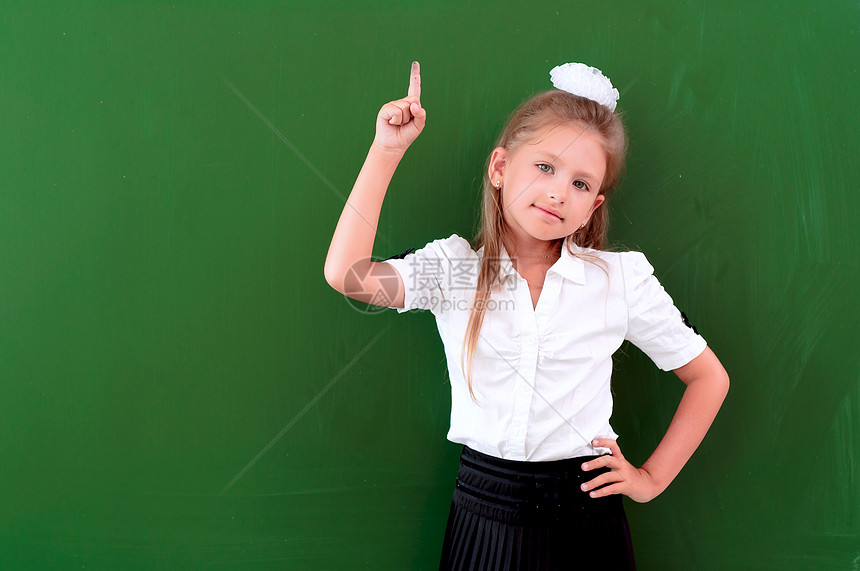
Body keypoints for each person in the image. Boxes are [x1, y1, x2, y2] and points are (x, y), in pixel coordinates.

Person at [324, 61, 729, 570]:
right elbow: (348, 274)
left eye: (582, 184)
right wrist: (387, 151)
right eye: (545, 167)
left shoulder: (619, 280)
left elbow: (708, 377)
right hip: (484, 514)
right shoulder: (455, 270)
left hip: (587, 518)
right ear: (499, 168)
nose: (560, 191)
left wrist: (649, 480)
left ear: (595, 206)